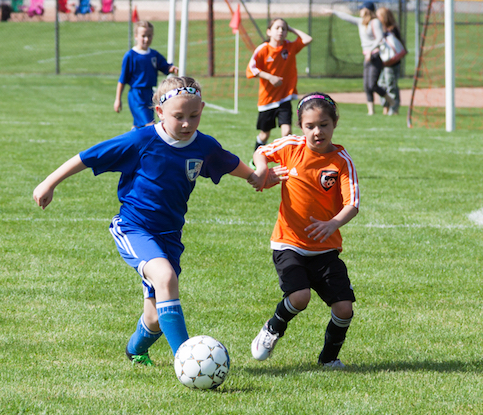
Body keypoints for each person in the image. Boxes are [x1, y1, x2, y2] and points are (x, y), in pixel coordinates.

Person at [33, 76, 285, 366]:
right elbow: (88, 157)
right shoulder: (141, 140)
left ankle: (135, 350)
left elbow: (236, 166)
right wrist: (49, 182)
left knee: (154, 318)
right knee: (166, 278)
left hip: (170, 236)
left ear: (202, 108)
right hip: (134, 227)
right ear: (160, 112)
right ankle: (188, 361)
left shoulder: (203, 146)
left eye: (194, 115)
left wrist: (258, 177)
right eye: (179, 117)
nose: (187, 123)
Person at [250, 93, 360, 368]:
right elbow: (261, 152)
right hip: (289, 243)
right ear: (301, 126)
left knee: (344, 308)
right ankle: (273, 327)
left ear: (334, 123)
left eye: (323, 124)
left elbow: (353, 204)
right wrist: (263, 170)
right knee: (300, 297)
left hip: (325, 248)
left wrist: (333, 223)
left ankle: (328, 359)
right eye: (310, 125)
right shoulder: (291, 147)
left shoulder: (341, 161)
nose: (317, 131)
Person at [247, 18, 312, 152]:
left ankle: (287, 165)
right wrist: (270, 77)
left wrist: (291, 29)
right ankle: (256, 160)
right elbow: (251, 69)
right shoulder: (263, 49)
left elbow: (308, 39)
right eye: (277, 28)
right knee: (265, 135)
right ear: (269, 32)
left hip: (284, 97)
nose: (280, 31)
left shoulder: (289, 47)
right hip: (267, 100)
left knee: (287, 132)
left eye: (283, 28)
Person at [330, 2, 395, 115]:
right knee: (366, 85)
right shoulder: (361, 22)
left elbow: (379, 38)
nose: (360, 11)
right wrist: (333, 12)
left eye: (362, 9)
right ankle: (371, 111)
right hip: (367, 55)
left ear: (367, 10)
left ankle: (390, 100)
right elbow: (348, 18)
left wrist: (371, 50)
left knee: (372, 84)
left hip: (375, 55)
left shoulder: (375, 22)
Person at [114, 21, 179, 129]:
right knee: (151, 125)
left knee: (139, 127)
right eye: (143, 36)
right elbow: (122, 80)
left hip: (149, 94)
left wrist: (171, 68)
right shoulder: (130, 55)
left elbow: (164, 66)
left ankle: (133, 144)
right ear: (136, 36)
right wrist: (118, 99)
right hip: (136, 94)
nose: (146, 39)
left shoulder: (154, 54)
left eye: (149, 36)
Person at [376, 7, 407, 116]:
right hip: (383, 63)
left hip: (392, 64)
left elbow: (398, 47)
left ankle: (394, 109)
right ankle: (385, 106)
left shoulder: (392, 29)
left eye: (379, 16)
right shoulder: (380, 29)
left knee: (391, 85)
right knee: (381, 84)